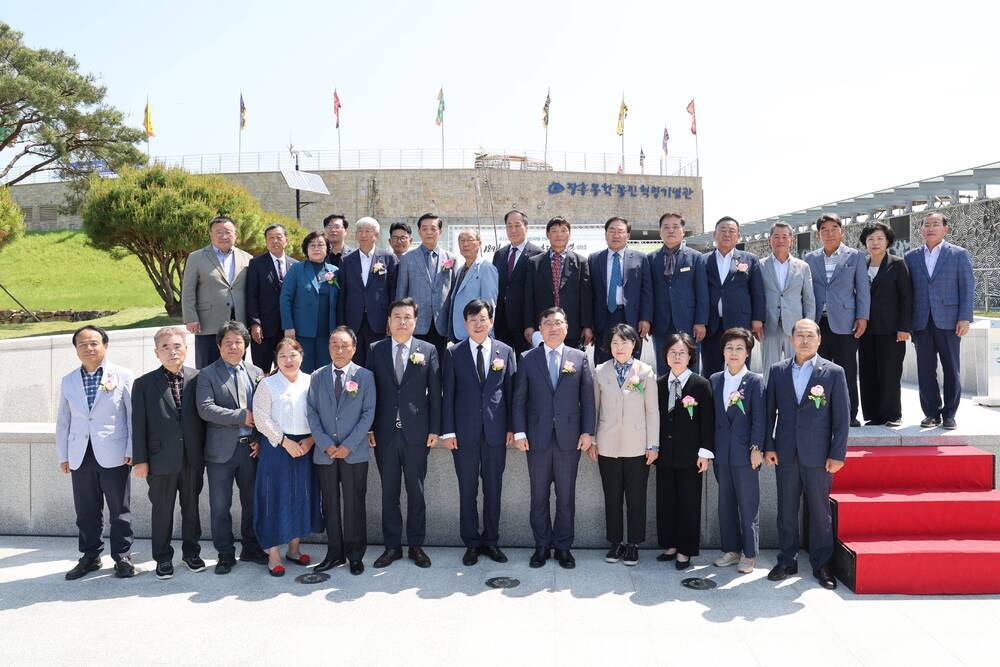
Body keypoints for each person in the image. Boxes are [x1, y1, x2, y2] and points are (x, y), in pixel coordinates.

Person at [765, 318, 849, 590]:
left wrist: (837, 454)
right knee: (786, 510)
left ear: (819, 339)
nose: (804, 340)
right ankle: (787, 559)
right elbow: (769, 414)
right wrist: (769, 445)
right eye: (799, 335)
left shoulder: (833, 372)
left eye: (809, 335)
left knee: (820, 511)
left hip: (819, 455)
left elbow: (841, 419)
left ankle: (822, 564)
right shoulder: (778, 371)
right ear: (791, 339)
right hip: (786, 452)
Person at [512, 307, 596, 569]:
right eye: (547, 323)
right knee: (538, 497)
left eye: (558, 323)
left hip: (569, 439)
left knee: (565, 496)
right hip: (536, 439)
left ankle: (563, 547)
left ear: (567, 327)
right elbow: (519, 400)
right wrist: (520, 432)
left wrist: (587, 432)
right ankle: (541, 546)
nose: (552, 328)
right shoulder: (527, 358)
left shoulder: (579, 357)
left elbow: (588, 399)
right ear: (540, 328)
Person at [56, 325, 136, 580]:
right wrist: (63, 455)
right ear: (76, 349)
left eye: (94, 343)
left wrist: (132, 448)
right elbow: (63, 420)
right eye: (82, 344)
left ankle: (122, 556)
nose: (88, 348)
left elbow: (133, 416)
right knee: (86, 510)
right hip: (80, 453)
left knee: (119, 510)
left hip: (115, 451)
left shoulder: (122, 375)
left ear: (105, 345)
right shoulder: (68, 380)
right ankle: (90, 556)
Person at [441, 300, 517, 566]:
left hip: (496, 432)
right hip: (463, 433)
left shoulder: (505, 351)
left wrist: (512, 428)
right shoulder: (453, 353)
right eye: (472, 319)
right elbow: (447, 395)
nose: (478, 323)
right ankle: (471, 543)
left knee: (493, 489)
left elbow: (511, 393)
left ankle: (492, 541)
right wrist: (447, 431)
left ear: (491, 321)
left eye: (483, 318)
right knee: (467, 489)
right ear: (465, 323)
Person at [367, 297, 441, 569]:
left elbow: (436, 393)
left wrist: (435, 429)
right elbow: (369, 393)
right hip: (384, 433)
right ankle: (392, 547)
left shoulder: (428, 349)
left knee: (416, 491)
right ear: (388, 321)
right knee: (389, 493)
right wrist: (370, 428)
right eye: (396, 316)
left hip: (417, 433)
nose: (402, 321)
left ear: (415, 321)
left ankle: (416, 546)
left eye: (407, 317)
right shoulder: (376, 349)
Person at [131, 326, 206, 579]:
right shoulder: (143, 384)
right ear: (156, 352)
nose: (172, 351)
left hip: (193, 458)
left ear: (186, 349)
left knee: (191, 508)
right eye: (165, 347)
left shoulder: (199, 378)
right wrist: (140, 460)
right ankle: (163, 558)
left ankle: (191, 553)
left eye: (177, 346)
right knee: (162, 511)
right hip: (160, 460)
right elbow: (138, 425)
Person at [196, 321, 267, 574]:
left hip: (250, 450)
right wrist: (240, 416)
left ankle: (251, 546)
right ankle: (225, 553)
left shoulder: (256, 371)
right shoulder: (206, 374)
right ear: (219, 346)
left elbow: (263, 409)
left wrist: (258, 437)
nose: (233, 346)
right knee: (220, 505)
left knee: (252, 502)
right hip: (220, 453)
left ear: (245, 346)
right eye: (228, 342)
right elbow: (205, 408)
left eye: (238, 342)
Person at [307, 327, 377, 576]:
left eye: (344, 345)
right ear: (328, 347)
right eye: (334, 344)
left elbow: (369, 413)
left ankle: (355, 555)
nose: (339, 350)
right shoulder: (317, 376)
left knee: (354, 503)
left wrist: (348, 445)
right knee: (331, 504)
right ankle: (334, 553)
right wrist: (325, 443)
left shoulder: (365, 376)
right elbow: (312, 413)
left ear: (354, 348)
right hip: (325, 453)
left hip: (354, 452)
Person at [250, 338, 322, 576]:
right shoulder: (268, 384)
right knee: (275, 497)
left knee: (301, 495)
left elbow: (320, 413)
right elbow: (260, 417)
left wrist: (311, 439)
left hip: (305, 445)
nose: (288, 360)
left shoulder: (311, 381)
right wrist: (284, 441)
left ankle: (294, 548)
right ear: (276, 360)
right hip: (277, 446)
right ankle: (273, 554)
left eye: (293, 355)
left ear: (301, 355)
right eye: (282, 356)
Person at [588, 324, 658, 567]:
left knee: (636, 498)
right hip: (607, 444)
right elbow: (594, 408)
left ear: (634, 344)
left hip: (638, 445)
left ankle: (634, 543)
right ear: (609, 345)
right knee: (612, 496)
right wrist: (593, 439)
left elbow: (652, 411)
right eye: (615, 343)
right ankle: (615, 542)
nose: (620, 347)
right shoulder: (600, 371)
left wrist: (653, 445)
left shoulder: (645, 371)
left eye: (625, 342)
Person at [905, 212, 975, 430]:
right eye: (927, 225)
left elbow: (967, 287)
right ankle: (932, 413)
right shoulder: (911, 257)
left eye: (936, 224)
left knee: (951, 369)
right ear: (921, 230)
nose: (930, 228)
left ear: (946, 229)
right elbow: (907, 292)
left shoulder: (959, 254)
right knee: (925, 370)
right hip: (921, 322)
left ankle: (950, 414)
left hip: (950, 320)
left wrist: (964, 318)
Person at [804, 213, 870, 427]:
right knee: (818, 372)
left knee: (847, 371)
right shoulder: (810, 259)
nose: (829, 233)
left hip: (846, 323)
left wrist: (862, 316)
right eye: (824, 230)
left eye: (834, 228)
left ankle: (850, 415)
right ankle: (820, 413)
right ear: (819, 234)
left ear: (841, 231)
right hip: (817, 325)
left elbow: (862, 290)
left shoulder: (855, 257)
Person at [655, 332, 714, 569]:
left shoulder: (701, 384)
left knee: (688, 503)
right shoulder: (659, 384)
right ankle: (669, 545)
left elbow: (708, 422)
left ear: (690, 356)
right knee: (665, 501)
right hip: (664, 455)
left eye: (682, 353)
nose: (677, 357)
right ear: (665, 356)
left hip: (691, 456)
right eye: (672, 353)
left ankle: (685, 550)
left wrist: (705, 453)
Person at [709, 327, 765, 574]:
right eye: (729, 348)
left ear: (748, 353)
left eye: (739, 348)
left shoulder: (755, 381)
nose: (733, 353)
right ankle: (730, 550)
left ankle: (749, 554)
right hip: (722, 453)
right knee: (726, 504)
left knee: (748, 504)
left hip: (745, 453)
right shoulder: (715, 380)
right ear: (723, 351)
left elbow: (760, 419)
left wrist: (757, 448)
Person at [181, 215, 253, 368]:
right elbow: (188, 290)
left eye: (228, 232)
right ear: (211, 235)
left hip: (238, 322)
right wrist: (190, 317)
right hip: (207, 323)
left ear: (235, 235)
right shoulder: (196, 257)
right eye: (218, 232)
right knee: (207, 367)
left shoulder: (247, 258)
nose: (223, 236)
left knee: (236, 365)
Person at [859, 222, 912, 426]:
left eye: (879, 238)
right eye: (871, 239)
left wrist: (904, 327)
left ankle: (892, 414)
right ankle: (874, 415)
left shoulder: (897, 264)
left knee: (889, 373)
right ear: (865, 242)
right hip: (864, 330)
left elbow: (906, 297)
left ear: (888, 241)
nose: (875, 243)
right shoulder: (861, 264)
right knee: (868, 372)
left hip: (891, 330)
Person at [702, 217, 765, 378]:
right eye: (722, 231)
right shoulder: (703, 260)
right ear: (714, 234)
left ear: (738, 236)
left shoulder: (750, 259)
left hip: (740, 324)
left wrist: (758, 319)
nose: (727, 234)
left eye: (731, 231)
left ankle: (741, 400)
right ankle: (714, 402)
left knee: (740, 369)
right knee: (711, 369)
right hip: (711, 324)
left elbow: (757, 292)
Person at [649, 212, 708, 375]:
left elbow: (702, 292)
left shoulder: (696, 258)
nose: (671, 231)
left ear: (683, 231)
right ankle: (665, 400)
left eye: (675, 227)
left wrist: (701, 321)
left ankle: (691, 401)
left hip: (689, 323)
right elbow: (648, 293)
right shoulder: (651, 259)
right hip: (661, 323)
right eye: (666, 227)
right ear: (660, 231)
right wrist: (647, 320)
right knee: (663, 368)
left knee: (691, 368)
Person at [523, 217, 594, 350]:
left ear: (569, 234)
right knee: (543, 368)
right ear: (548, 234)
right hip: (543, 328)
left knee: (571, 367)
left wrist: (587, 326)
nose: (559, 235)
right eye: (554, 231)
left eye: (563, 230)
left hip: (572, 329)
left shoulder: (581, 262)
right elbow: (529, 297)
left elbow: (586, 298)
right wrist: (529, 325)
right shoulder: (535, 263)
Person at [588, 217, 652, 364]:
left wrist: (645, 318)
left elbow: (646, 291)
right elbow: (589, 294)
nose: (616, 235)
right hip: (603, 318)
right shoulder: (594, 259)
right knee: (603, 363)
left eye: (620, 231)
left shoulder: (640, 258)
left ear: (628, 236)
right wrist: (588, 324)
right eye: (612, 231)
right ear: (605, 235)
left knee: (631, 363)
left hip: (631, 318)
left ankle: (631, 388)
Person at [337, 216, 397, 367]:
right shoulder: (346, 260)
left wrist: (391, 319)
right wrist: (341, 323)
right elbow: (342, 294)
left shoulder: (388, 258)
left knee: (378, 361)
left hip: (379, 319)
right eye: (360, 231)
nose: (363, 235)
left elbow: (393, 291)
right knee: (355, 362)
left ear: (376, 235)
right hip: (353, 320)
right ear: (356, 235)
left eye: (367, 231)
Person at [759, 222, 815, 382]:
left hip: (796, 328)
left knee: (798, 370)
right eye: (776, 236)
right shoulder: (760, 266)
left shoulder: (803, 266)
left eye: (785, 236)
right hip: (769, 326)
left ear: (791, 240)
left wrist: (808, 326)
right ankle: (769, 405)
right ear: (770, 240)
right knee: (769, 372)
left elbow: (809, 299)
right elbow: (756, 296)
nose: (780, 240)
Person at [395, 213, 456, 360]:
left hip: (440, 323)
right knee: (416, 365)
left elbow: (452, 292)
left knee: (438, 366)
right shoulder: (407, 259)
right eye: (425, 228)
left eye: (433, 229)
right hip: (415, 322)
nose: (429, 232)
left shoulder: (451, 258)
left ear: (440, 232)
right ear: (419, 231)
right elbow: (401, 293)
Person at [280, 231, 340, 373]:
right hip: (301, 332)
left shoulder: (335, 271)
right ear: (306, 249)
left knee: (325, 372)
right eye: (312, 245)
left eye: (320, 245)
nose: (316, 248)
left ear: (327, 249)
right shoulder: (296, 269)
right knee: (302, 371)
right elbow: (285, 298)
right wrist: (288, 326)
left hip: (327, 332)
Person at [246, 223, 298, 373]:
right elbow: (252, 295)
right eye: (271, 238)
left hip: (287, 328)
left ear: (286, 240)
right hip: (264, 328)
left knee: (286, 368)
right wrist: (255, 324)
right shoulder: (256, 264)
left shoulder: (295, 265)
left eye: (279, 237)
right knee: (261, 371)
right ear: (266, 241)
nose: (275, 241)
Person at [492, 209, 543, 355]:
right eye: (509, 226)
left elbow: (538, 293)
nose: (513, 230)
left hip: (525, 324)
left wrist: (532, 324)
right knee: (500, 363)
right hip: (501, 322)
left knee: (525, 364)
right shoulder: (499, 254)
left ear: (526, 227)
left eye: (517, 225)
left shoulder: (538, 254)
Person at [445, 228, 499, 342]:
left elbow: (489, 304)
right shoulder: (460, 270)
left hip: (477, 334)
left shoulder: (486, 268)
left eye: (470, 240)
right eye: (461, 241)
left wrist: (486, 334)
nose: (465, 244)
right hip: (459, 333)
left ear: (479, 243)